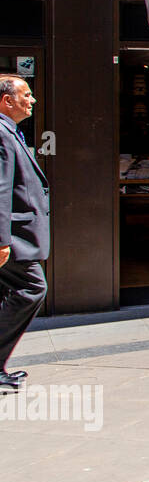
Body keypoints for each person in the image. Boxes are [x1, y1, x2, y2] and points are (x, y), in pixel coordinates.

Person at [0, 75, 49, 390]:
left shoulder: (9, 130)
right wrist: (2, 240)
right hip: (14, 238)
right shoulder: (2, 134)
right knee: (32, 288)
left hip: (16, 234)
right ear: (7, 100)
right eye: (26, 95)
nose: (32, 100)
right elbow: (1, 189)